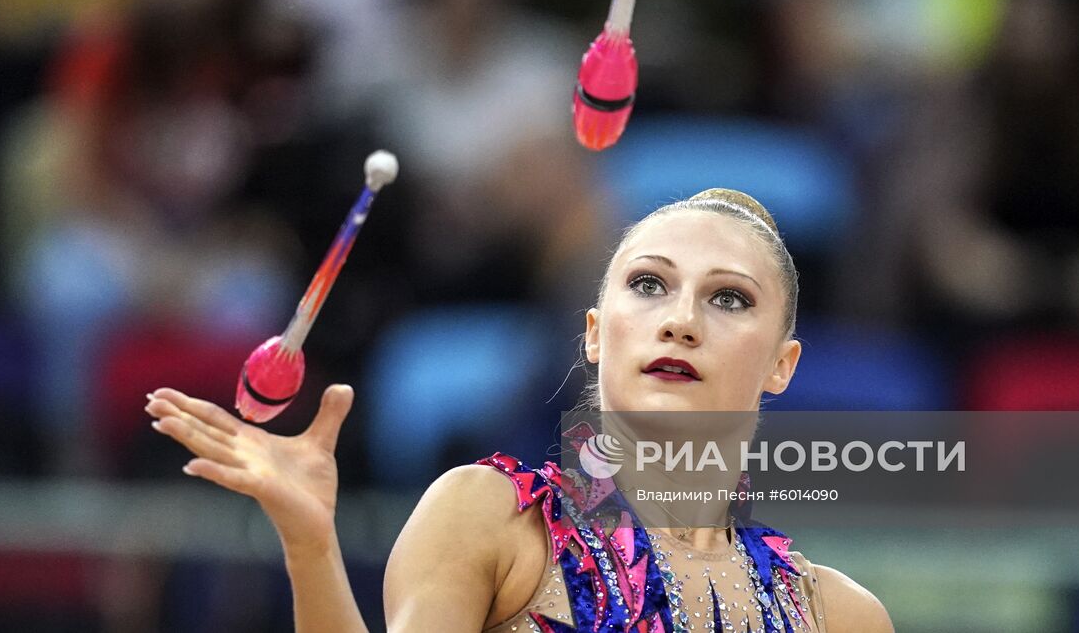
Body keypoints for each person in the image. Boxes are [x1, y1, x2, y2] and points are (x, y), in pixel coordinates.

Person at [146, 189, 894, 632]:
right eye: (648, 284)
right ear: (595, 334)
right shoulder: (490, 517)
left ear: (781, 364)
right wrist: (312, 545)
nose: (681, 319)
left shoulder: (839, 614)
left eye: (728, 297)